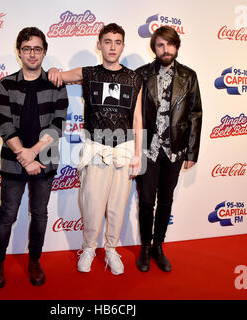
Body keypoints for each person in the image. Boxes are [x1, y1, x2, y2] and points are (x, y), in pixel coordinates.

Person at [48, 23, 143, 275]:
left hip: (123, 149)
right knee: (92, 205)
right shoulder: (89, 73)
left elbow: (137, 118)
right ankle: (89, 248)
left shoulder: (135, 78)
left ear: (123, 45)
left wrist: (137, 155)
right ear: (99, 44)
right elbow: (60, 75)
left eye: (118, 42)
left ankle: (111, 249)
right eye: (108, 41)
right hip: (95, 148)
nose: (113, 47)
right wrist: (56, 69)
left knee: (117, 206)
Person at [0, 27, 68, 288]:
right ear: (19, 52)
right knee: (7, 214)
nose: (32, 54)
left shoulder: (56, 84)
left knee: (40, 214)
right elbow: (4, 125)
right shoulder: (6, 84)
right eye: (26, 48)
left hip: (44, 159)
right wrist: (24, 157)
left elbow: (58, 126)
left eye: (37, 48)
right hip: (14, 161)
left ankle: (34, 261)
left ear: (44, 52)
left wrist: (33, 154)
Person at [135, 26, 202, 272]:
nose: (166, 49)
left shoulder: (189, 76)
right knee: (145, 201)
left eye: (170, 44)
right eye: (161, 45)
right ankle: (144, 246)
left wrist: (192, 152)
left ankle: (158, 246)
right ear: (154, 47)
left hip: (175, 150)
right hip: (147, 150)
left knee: (166, 201)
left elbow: (195, 114)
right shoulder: (141, 74)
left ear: (176, 47)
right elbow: (133, 114)